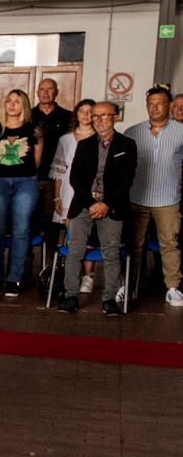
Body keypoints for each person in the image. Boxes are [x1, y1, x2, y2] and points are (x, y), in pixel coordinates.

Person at [58, 101, 135, 316]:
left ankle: (109, 299)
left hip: (112, 205)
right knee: (75, 251)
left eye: (104, 115)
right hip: (84, 204)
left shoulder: (127, 145)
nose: (99, 120)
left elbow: (126, 180)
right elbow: (75, 179)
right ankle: (71, 296)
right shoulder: (84, 145)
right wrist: (92, 204)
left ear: (115, 117)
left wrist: (106, 204)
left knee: (111, 253)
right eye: (95, 116)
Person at [124, 83, 183, 306]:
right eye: (151, 104)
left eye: (159, 103)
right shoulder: (133, 132)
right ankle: (127, 285)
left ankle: (173, 288)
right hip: (137, 197)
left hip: (168, 198)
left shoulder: (181, 132)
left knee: (169, 243)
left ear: (168, 106)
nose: (155, 108)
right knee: (133, 243)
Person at [0, 89, 43, 297]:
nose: (12, 104)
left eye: (17, 101)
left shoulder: (33, 130)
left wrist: (19, 173)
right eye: (9, 100)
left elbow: (36, 161)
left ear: (24, 105)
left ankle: (14, 278)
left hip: (25, 182)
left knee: (21, 229)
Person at [47, 99, 96, 293]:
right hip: (68, 189)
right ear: (77, 114)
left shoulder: (99, 137)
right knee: (71, 234)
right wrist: (57, 197)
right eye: (82, 111)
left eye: (89, 111)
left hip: (90, 187)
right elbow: (59, 170)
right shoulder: (66, 139)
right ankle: (71, 275)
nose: (85, 115)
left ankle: (88, 276)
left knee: (89, 232)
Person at [31, 78, 71, 241]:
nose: (46, 92)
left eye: (50, 89)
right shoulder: (29, 116)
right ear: (37, 93)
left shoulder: (68, 117)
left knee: (52, 223)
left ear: (57, 92)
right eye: (42, 89)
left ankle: (50, 263)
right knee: (29, 220)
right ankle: (27, 263)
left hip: (56, 179)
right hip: (32, 176)